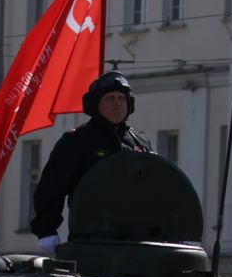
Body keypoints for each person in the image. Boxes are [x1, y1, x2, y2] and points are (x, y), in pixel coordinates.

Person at [30, 70, 150, 250]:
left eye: (121, 98)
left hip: (137, 240)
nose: (117, 104)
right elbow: (52, 187)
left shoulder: (140, 142)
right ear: (96, 104)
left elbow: (156, 187)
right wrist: (46, 231)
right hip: (91, 239)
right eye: (110, 98)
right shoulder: (77, 140)